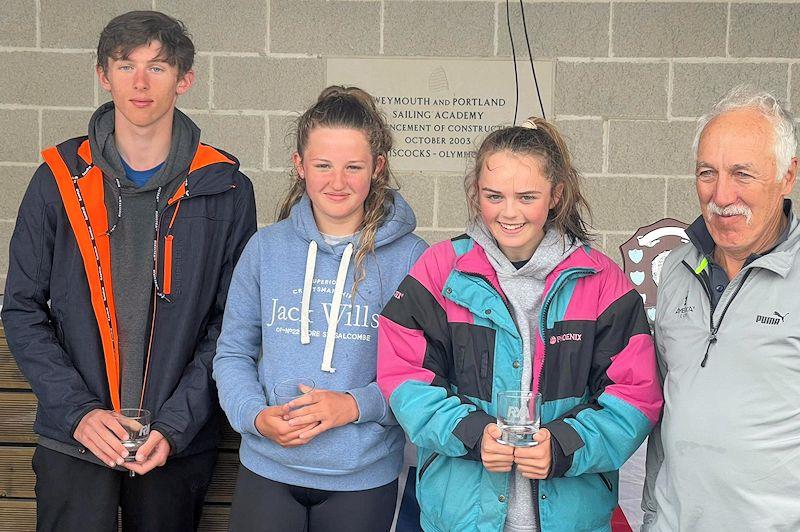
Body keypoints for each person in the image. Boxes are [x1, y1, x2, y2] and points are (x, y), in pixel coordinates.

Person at [1, 11, 256, 531]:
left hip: (171, 443)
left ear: (184, 79)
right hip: (76, 440)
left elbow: (233, 325)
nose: (140, 83)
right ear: (103, 74)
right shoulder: (59, 179)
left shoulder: (225, 187)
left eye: (158, 67)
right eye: (125, 65)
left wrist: (176, 422)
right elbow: (22, 309)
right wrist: (79, 413)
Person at [377, 118, 663, 532]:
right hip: (461, 517)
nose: (509, 212)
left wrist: (565, 447)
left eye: (526, 196)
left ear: (556, 195)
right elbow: (405, 377)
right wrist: (472, 433)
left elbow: (634, 397)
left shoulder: (601, 282)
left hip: (572, 517)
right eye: (495, 196)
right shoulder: (439, 270)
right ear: (477, 194)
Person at [213, 85, 428, 532]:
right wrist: (255, 415)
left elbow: (424, 371)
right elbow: (232, 352)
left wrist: (353, 406)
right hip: (268, 466)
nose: (337, 181)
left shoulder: (412, 259)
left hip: (362, 475)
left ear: (378, 168)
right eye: (322, 165)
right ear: (299, 166)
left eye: (354, 167)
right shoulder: (265, 250)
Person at [642, 86, 800, 530]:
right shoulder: (677, 266)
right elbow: (666, 408)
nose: (721, 194)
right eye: (707, 172)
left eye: (742, 174)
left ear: (787, 176)